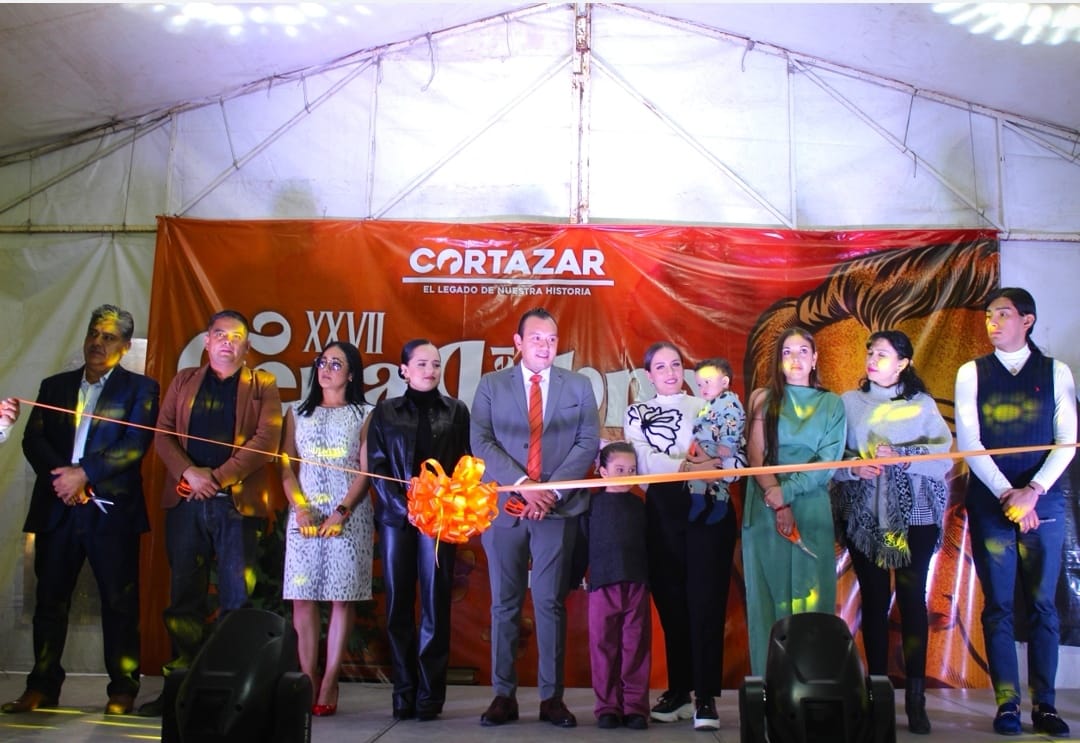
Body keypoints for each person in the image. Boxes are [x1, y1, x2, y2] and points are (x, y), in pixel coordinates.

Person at [2, 305, 159, 716]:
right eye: (94, 333)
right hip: (57, 508)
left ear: (125, 346)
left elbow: (133, 445)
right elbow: (33, 440)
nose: (97, 342)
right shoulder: (54, 386)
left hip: (110, 513)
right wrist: (64, 480)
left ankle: (122, 689)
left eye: (109, 337)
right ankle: (41, 687)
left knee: (119, 603)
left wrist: (84, 474)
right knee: (50, 601)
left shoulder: (142, 389)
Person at [139, 309, 283, 716]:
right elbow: (163, 434)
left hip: (237, 506)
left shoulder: (263, 385)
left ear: (247, 346)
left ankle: (230, 694)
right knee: (184, 598)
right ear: (207, 341)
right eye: (220, 334)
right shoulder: (184, 381)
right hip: (186, 503)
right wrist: (190, 473)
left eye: (236, 337)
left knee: (237, 600)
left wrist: (216, 478)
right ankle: (179, 691)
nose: (227, 342)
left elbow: (266, 441)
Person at [955, 287, 1076, 737]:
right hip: (993, 501)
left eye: (1003, 314)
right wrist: (1010, 494)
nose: (993, 321)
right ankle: (1007, 704)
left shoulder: (1055, 370)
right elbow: (970, 441)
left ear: (1027, 320)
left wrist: (1033, 492)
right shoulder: (971, 372)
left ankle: (1046, 705)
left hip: (1045, 500)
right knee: (999, 606)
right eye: (989, 314)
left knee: (1043, 604)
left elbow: (1067, 440)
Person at [470, 307, 600, 729]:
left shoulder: (578, 386)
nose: (545, 346)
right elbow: (481, 442)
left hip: (557, 509)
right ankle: (503, 695)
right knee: (504, 603)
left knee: (549, 603)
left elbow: (587, 443)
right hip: (505, 511)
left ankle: (551, 698)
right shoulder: (491, 385)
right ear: (518, 342)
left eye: (551, 339)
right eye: (537, 338)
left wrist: (550, 492)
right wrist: (524, 484)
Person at [832, 330, 952, 735]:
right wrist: (854, 468)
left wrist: (903, 457)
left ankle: (916, 699)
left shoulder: (922, 404)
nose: (872, 359)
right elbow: (834, 456)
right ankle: (877, 695)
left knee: (912, 600)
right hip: (865, 513)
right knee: (875, 600)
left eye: (882, 354)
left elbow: (944, 457)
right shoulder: (849, 403)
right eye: (870, 352)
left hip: (916, 514)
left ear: (903, 363)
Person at [624, 342, 737, 731]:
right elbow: (644, 462)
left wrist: (699, 465)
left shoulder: (707, 404)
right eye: (660, 367)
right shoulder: (637, 413)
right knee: (671, 602)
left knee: (706, 602)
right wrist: (688, 464)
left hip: (709, 508)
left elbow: (725, 455)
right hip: (662, 511)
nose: (670, 372)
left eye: (675, 364)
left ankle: (705, 696)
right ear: (648, 375)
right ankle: (678, 691)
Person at [367, 339, 471, 722]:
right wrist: (404, 508)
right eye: (422, 364)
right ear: (404, 370)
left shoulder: (456, 410)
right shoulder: (385, 412)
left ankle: (429, 695)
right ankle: (403, 692)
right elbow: (377, 467)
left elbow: (464, 463)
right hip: (398, 520)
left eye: (436, 364)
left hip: (439, 520)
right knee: (398, 606)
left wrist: (447, 505)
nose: (430, 371)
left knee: (435, 605)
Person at [743, 327, 846, 677]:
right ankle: (770, 688)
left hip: (810, 504)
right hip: (765, 503)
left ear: (815, 358)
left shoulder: (832, 404)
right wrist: (777, 500)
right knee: (767, 598)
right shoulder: (762, 398)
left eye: (803, 351)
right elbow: (756, 455)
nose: (795, 358)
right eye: (787, 351)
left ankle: (813, 685)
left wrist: (788, 493)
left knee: (810, 596)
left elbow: (828, 461)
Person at [280, 341, 373, 717]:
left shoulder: (364, 413)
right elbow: (286, 466)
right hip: (304, 512)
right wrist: (300, 508)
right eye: (322, 361)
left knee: (341, 597)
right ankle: (308, 677)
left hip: (348, 513)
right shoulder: (296, 412)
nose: (326, 368)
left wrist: (342, 512)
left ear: (351, 374)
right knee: (302, 597)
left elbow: (366, 471)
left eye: (337, 363)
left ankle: (331, 679)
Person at [581, 441, 651, 731]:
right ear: (603, 472)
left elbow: (650, 544)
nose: (626, 475)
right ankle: (607, 707)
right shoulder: (592, 505)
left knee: (636, 646)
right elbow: (582, 543)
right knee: (603, 645)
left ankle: (635, 707)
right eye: (619, 469)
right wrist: (579, 575)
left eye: (632, 470)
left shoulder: (639, 505)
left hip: (636, 582)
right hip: (602, 583)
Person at [688, 357, 746, 522]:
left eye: (707, 382)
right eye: (699, 385)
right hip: (706, 445)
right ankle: (710, 501)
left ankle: (708, 501)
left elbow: (731, 422)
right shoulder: (711, 403)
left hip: (717, 445)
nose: (703, 388)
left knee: (705, 474)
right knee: (707, 475)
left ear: (724, 382)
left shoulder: (728, 402)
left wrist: (727, 443)